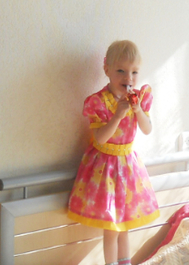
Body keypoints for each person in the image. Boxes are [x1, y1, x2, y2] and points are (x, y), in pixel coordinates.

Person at [67, 41, 159, 265]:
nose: (128, 78)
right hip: (105, 168)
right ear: (107, 69)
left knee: (124, 225)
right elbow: (100, 138)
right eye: (121, 71)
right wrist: (117, 115)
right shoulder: (99, 102)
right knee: (112, 227)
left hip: (128, 167)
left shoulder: (139, 99)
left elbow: (147, 129)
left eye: (134, 72)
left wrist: (138, 111)